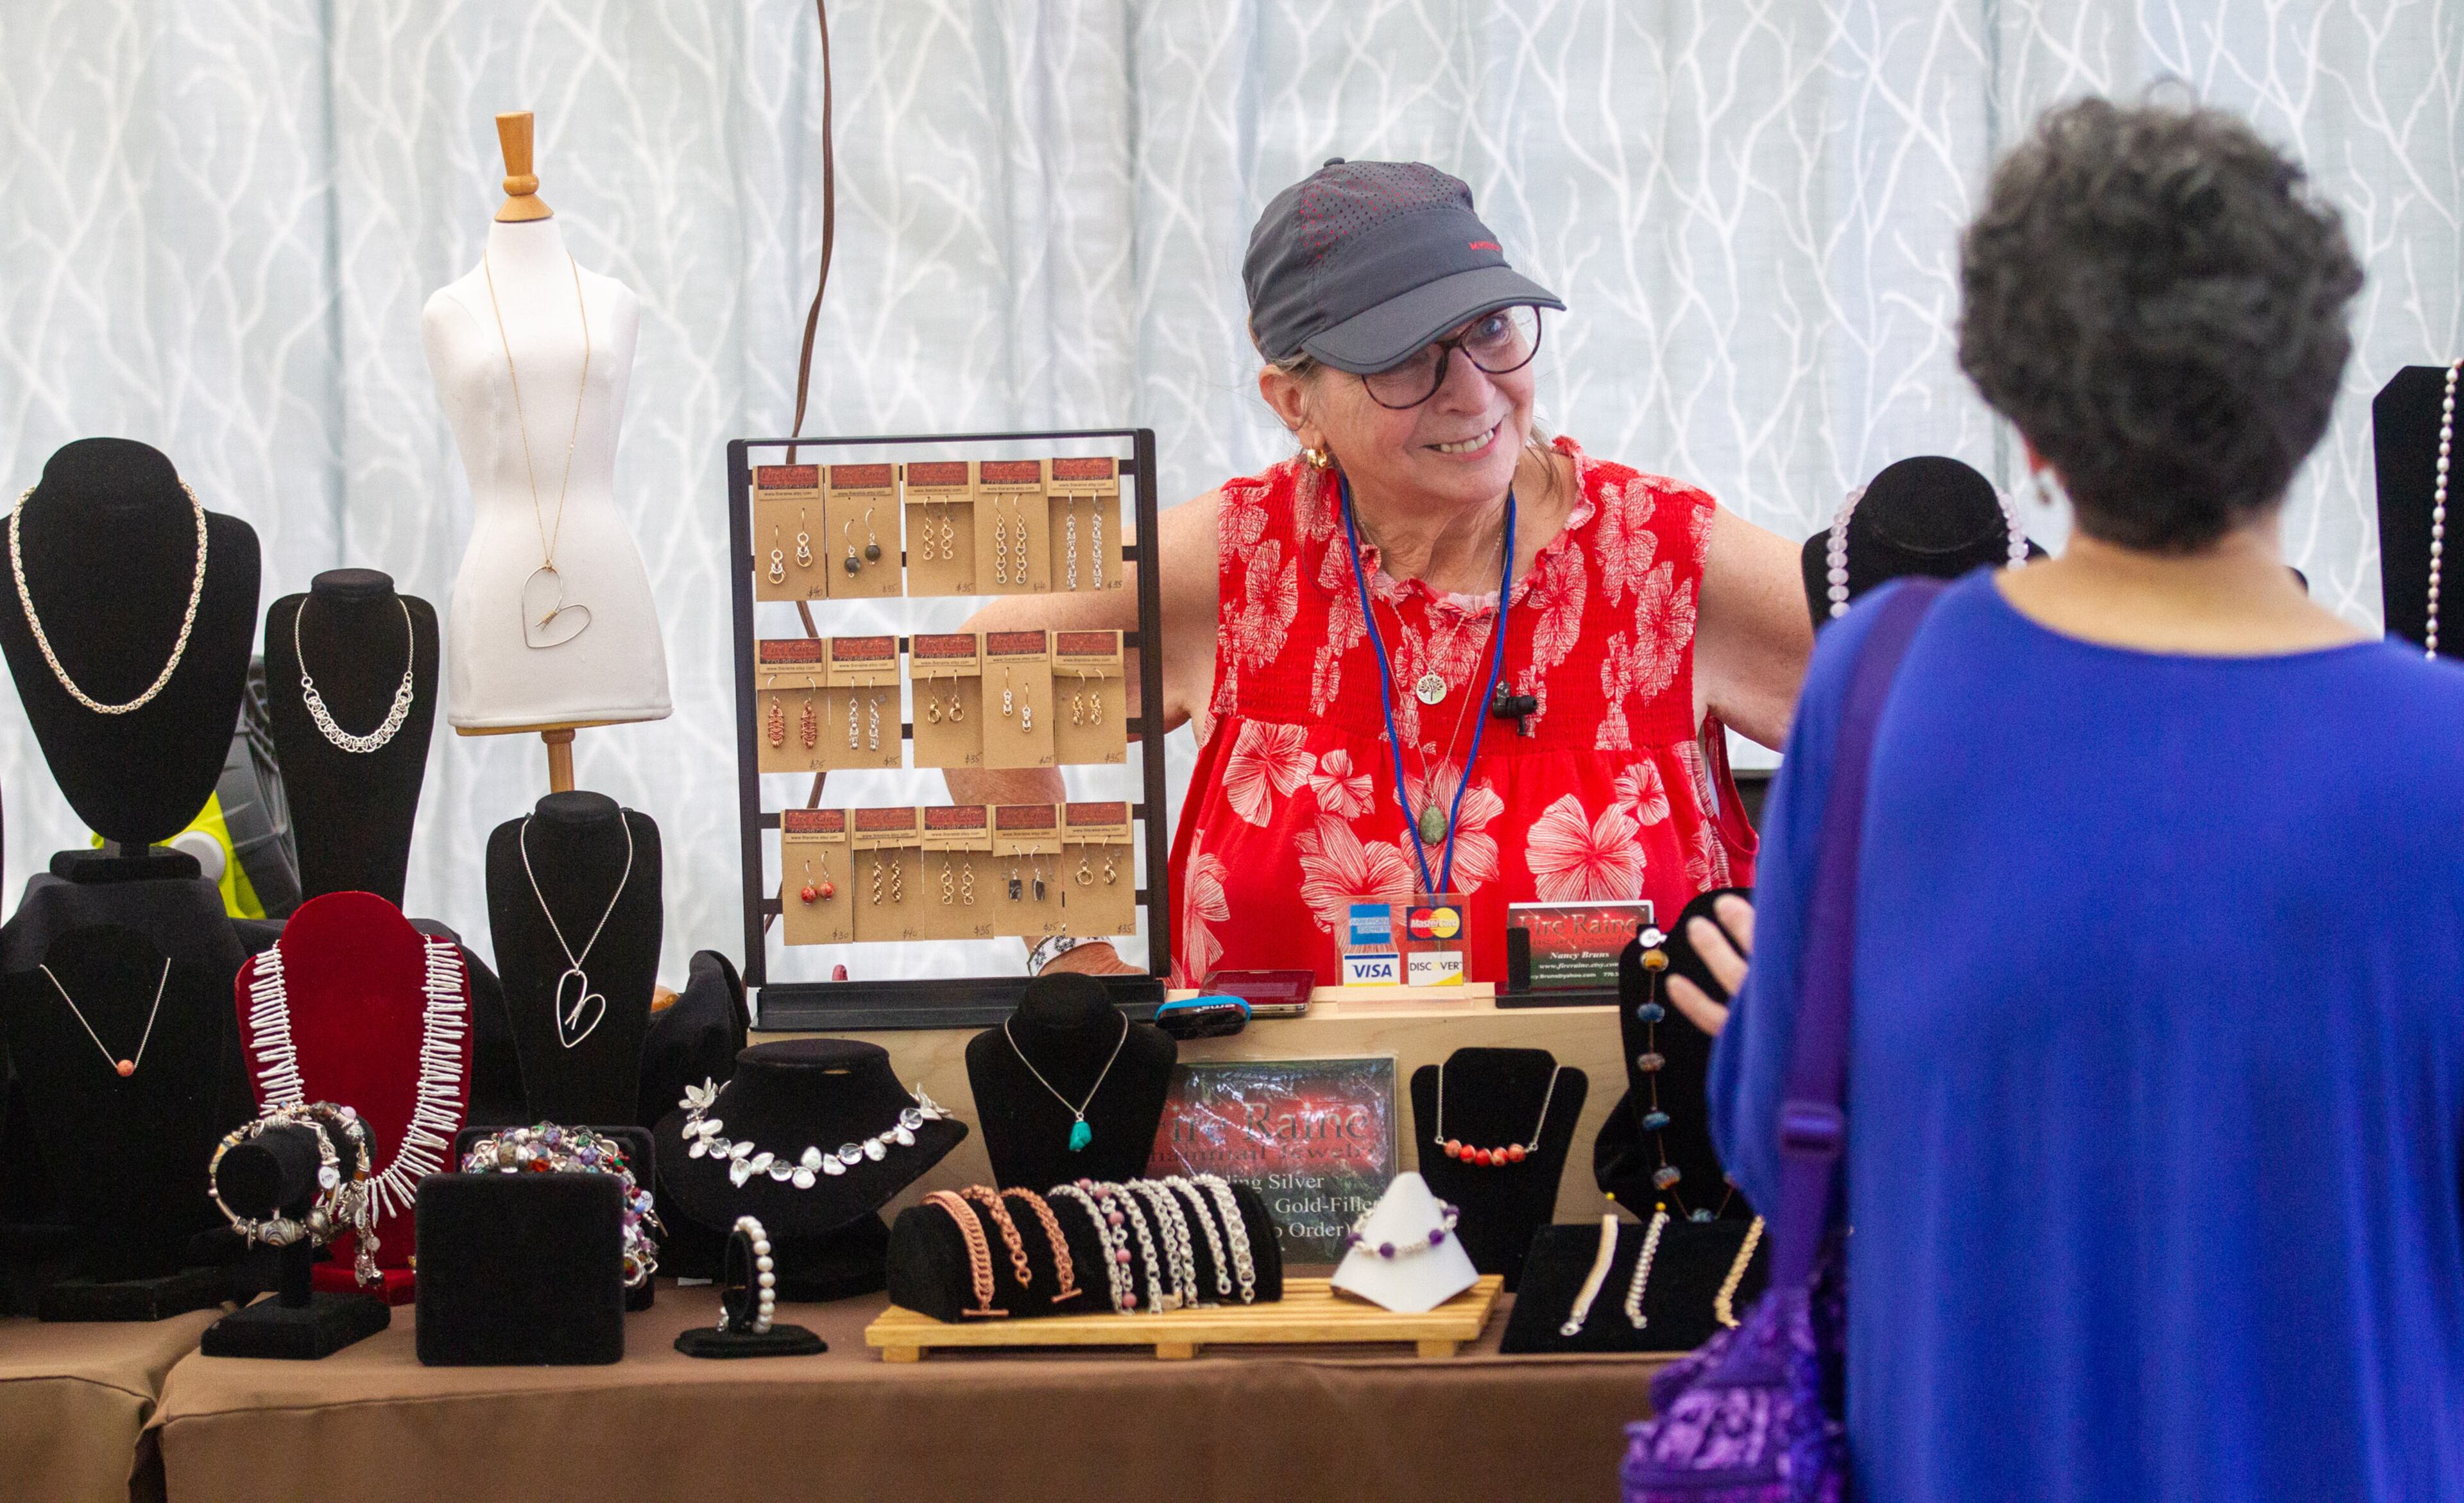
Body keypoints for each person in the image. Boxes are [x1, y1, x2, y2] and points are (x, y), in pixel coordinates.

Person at [1701, 98, 2464, 1499]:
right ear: (2307, 399)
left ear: (2025, 423)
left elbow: (1773, 1140)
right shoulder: (2442, 758)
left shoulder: (1879, 690)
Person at [957, 159, 1812, 984]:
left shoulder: (1660, 561)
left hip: (1612, 1130)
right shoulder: (1241, 567)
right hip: (1266, 1130)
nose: (1475, 394)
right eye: (1407, 357)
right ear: (1296, 404)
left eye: (1490, 328)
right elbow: (976, 688)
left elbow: (1923, 718)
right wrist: (1070, 953)